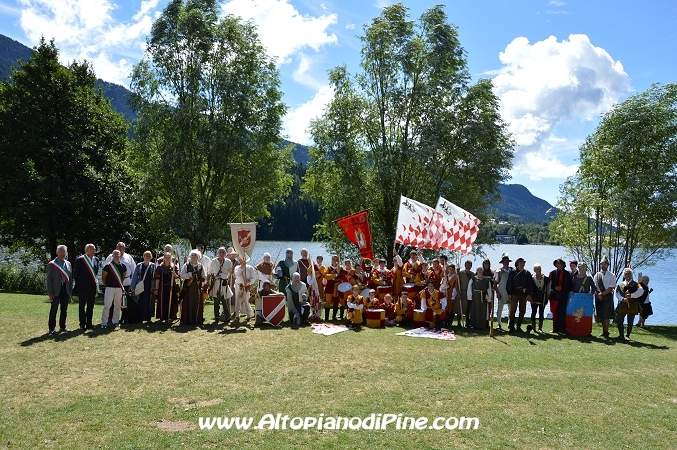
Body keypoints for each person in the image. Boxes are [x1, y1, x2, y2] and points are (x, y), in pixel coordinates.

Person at [105, 242, 136, 323]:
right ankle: (110, 318)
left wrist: (133, 283)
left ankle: (124, 318)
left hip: (126, 283)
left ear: (125, 248)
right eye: (118, 246)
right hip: (112, 283)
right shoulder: (110, 257)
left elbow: (134, 270)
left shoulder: (128, 257)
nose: (120, 248)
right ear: (116, 247)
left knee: (124, 302)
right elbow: (105, 270)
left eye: (122, 247)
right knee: (111, 302)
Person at [46, 244, 73, 334]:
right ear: (57, 252)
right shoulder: (52, 264)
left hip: (65, 289)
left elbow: (70, 278)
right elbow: (48, 280)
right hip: (55, 290)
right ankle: (51, 328)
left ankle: (62, 327)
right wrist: (50, 292)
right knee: (54, 309)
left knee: (64, 309)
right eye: (61, 251)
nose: (62, 253)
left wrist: (70, 290)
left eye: (64, 251)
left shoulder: (68, 264)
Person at [72, 243, 99, 330]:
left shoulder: (96, 259)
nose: (95, 250)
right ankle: (82, 324)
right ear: (87, 250)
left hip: (92, 287)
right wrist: (81, 283)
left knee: (91, 306)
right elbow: (75, 274)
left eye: (95, 249)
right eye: (93, 249)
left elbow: (95, 272)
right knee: (82, 306)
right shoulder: (80, 260)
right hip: (83, 287)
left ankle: (89, 323)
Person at [615, 268, 644, 341]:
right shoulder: (620, 284)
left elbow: (641, 291)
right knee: (619, 319)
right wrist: (622, 299)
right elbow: (617, 294)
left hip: (633, 304)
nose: (627, 275)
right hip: (622, 304)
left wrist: (632, 295)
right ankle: (621, 335)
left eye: (629, 273)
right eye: (626, 274)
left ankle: (627, 335)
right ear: (624, 275)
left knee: (630, 321)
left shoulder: (636, 284)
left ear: (631, 274)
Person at [507, 257, 534, 332]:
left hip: (523, 293)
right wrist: (509, 293)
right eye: (520, 263)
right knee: (513, 310)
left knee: (522, 310)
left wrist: (529, 294)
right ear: (517, 264)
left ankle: (518, 326)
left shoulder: (527, 273)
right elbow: (509, 283)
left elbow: (530, 284)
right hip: (514, 293)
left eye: (523, 263)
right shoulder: (513, 272)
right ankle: (511, 326)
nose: (522, 264)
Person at [101, 249, 126, 329]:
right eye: (114, 254)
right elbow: (103, 277)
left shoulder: (123, 266)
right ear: (112, 255)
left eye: (117, 254)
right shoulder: (108, 266)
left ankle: (115, 321)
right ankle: (104, 322)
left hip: (119, 288)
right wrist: (107, 284)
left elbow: (123, 277)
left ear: (120, 255)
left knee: (117, 305)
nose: (116, 255)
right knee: (107, 305)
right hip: (109, 288)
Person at [180, 250, 206, 325]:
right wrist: (190, 274)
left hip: (197, 288)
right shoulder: (186, 265)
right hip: (188, 287)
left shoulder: (201, 266)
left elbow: (204, 276)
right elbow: (182, 275)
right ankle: (188, 320)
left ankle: (197, 320)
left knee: (197, 302)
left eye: (195, 255)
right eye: (192, 255)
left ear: (198, 257)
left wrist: (200, 280)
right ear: (190, 256)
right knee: (188, 302)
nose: (193, 257)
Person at [208, 247, 233, 324]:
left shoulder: (228, 261)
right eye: (220, 252)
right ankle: (217, 317)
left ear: (225, 254)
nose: (221, 254)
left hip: (224, 283)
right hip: (216, 282)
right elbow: (209, 273)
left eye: (223, 252)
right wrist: (207, 282)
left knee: (225, 300)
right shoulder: (213, 261)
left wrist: (231, 273)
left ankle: (227, 316)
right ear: (218, 253)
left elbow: (231, 272)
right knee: (216, 300)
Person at [592, 256, 616, 338]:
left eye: (605, 264)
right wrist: (597, 294)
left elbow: (611, 288)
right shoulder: (597, 275)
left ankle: (606, 332)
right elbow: (594, 287)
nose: (603, 265)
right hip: (599, 297)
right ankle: (603, 332)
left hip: (607, 297)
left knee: (606, 316)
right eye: (602, 264)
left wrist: (601, 294)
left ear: (608, 265)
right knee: (601, 315)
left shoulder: (612, 275)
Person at [548, 258, 573, 333]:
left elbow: (570, 285)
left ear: (563, 265)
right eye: (557, 264)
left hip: (563, 295)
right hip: (554, 295)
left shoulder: (567, 274)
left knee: (562, 311)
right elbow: (549, 284)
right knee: (554, 311)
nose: (558, 265)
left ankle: (562, 328)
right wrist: (554, 288)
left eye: (560, 264)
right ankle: (554, 328)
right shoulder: (552, 273)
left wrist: (562, 288)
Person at [131, 251, 156, 323]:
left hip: (149, 286)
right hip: (141, 285)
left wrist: (154, 287)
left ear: (151, 257)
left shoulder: (153, 266)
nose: (147, 257)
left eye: (149, 256)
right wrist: (133, 287)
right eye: (146, 255)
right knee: (140, 301)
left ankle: (148, 317)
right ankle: (140, 317)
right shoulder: (139, 265)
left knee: (149, 302)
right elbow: (135, 276)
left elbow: (154, 277)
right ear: (143, 256)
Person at [153, 252, 179, 323]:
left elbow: (177, 277)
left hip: (171, 287)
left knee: (172, 301)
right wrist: (156, 288)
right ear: (163, 258)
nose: (167, 259)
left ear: (171, 258)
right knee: (163, 302)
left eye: (169, 257)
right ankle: (162, 317)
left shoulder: (174, 267)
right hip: (163, 288)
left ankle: (170, 316)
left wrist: (175, 275)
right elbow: (157, 279)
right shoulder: (160, 268)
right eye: (166, 257)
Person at [233, 256, 256, 323]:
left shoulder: (250, 268)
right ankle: (237, 316)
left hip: (246, 287)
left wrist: (249, 281)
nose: (240, 261)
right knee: (237, 301)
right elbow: (237, 274)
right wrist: (242, 267)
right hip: (238, 286)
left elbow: (254, 278)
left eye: (242, 260)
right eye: (239, 260)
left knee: (246, 301)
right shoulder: (237, 268)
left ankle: (248, 316)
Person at [494, 253, 513, 331]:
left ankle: (509, 324)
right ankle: (499, 324)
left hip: (510, 293)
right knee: (499, 309)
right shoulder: (498, 271)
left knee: (511, 309)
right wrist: (497, 293)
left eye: (507, 261)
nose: (506, 262)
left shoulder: (512, 270)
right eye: (504, 261)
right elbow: (494, 284)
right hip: (501, 292)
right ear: (502, 262)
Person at [530, 263, 550, 333]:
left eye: (539, 269)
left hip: (543, 298)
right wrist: (530, 298)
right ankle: (533, 328)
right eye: (537, 269)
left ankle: (540, 328)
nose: (538, 270)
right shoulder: (532, 278)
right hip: (534, 298)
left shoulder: (546, 279)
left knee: (541, 313)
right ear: (534, 270)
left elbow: (548, 289)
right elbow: (529, 289)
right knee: (533, 312)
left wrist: (547, 296)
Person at [456, 260, 474, 327]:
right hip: (462, 292)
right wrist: (458, 293)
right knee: (459, 308)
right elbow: (457, 284)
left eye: (469, 265)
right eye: (467, 265)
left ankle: (467, 322)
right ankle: (458, 322)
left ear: (471, 266)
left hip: (469, 293)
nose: (468, 266)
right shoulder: (460, 273)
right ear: (465, 265)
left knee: (468, 308)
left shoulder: (473, 274)